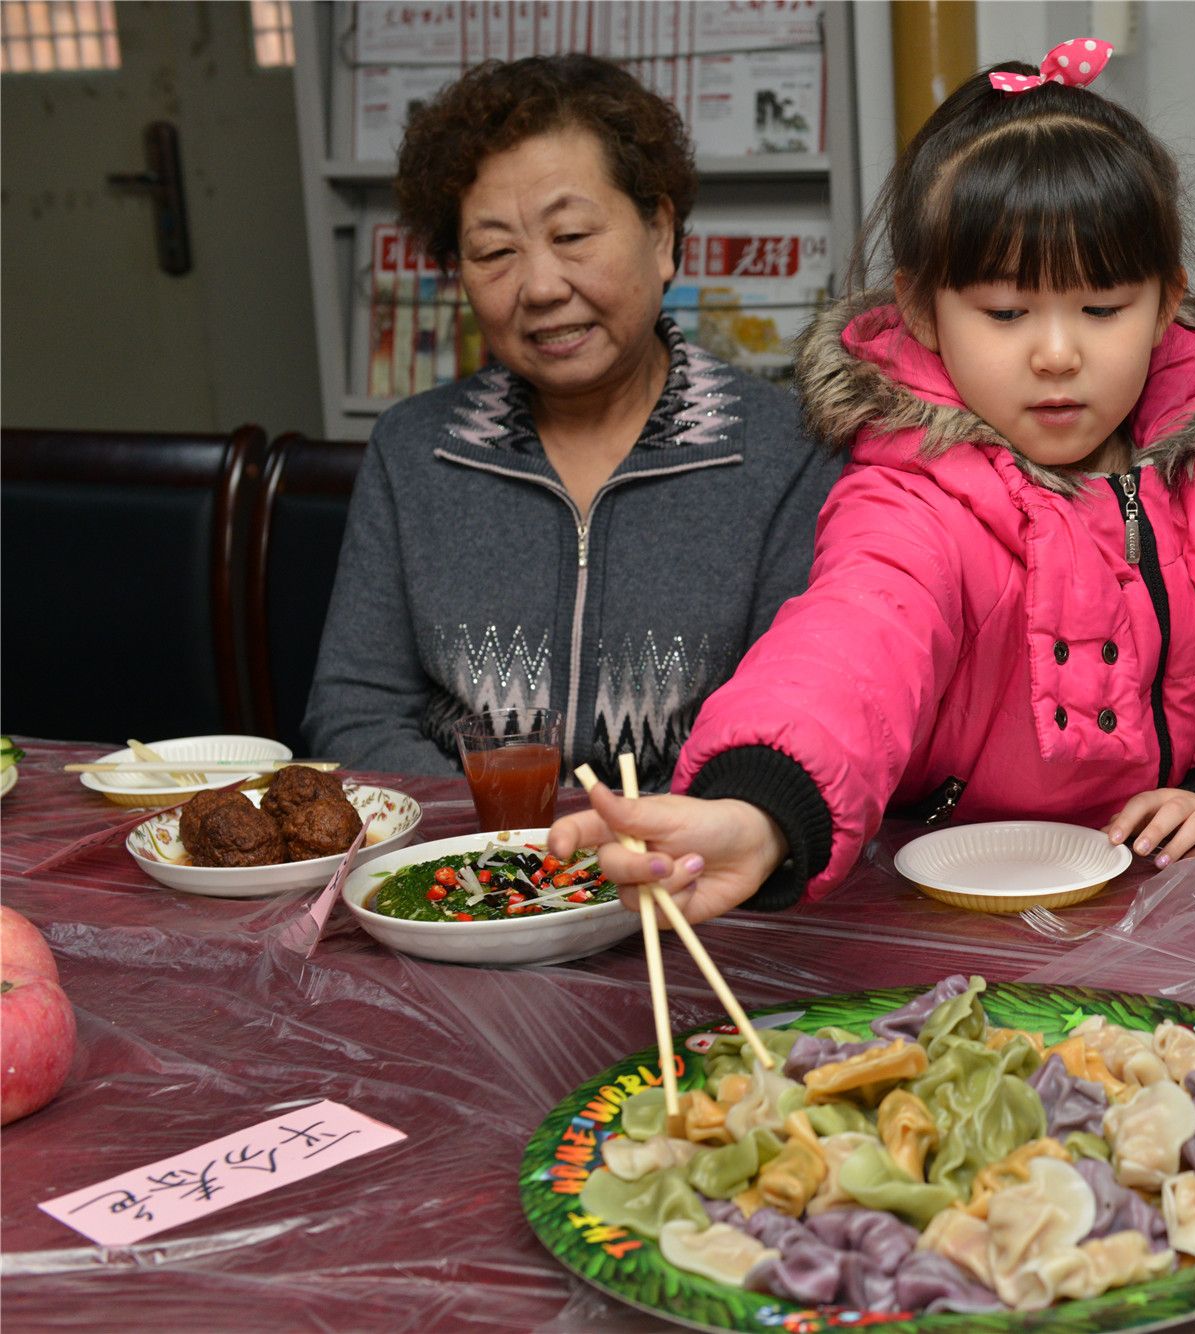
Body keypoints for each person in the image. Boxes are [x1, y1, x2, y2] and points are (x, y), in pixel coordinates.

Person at [551, 40, 1195, 922]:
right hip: (952, 908)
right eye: (1006, 313)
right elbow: (853, 642)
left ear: (1168, 300)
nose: (1058, 355)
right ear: (921, 309)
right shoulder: (914, 494)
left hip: (1171, 899)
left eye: (1102, 309)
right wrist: (759, 805)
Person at [304, 55, 843, 789]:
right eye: (495, 252)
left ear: (660, 232)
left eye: (573, 237)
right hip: (461, 874)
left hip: (684, 881)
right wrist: (512, 848)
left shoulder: (785, 452)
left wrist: (617, 848)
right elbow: (354, 711)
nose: (541, 287)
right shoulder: (414, 451)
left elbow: (790, 723)